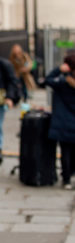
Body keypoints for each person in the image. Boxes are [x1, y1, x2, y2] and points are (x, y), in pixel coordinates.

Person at [45, 54, 75, 190]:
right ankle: (70, 174)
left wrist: (58, 69)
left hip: (63, 123)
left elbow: (47, 80)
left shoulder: (62, 83)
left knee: (65, 151)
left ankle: (66, 179)